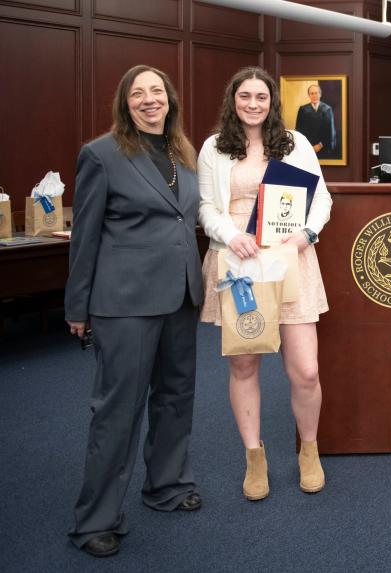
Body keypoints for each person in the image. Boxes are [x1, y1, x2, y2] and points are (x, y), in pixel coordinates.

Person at [64, 64, 204, 558]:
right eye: (139, 93)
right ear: (125, 102)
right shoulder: (101, 155)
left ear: (170, 99)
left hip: (181, 298)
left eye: (157, 91)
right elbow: (86, 235)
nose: (150, 100)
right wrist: (77, 305)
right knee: (117, 411)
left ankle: (166, 486)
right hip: (124, 304)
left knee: (175, 396)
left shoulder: (184, 153)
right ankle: (96, 520)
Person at [198, 66, 332, 501]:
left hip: (289, 256)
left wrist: (307, 234)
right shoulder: (214, 147)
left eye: (261, 96)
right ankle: (255, 458)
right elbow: (204, 206)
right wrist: (229, 236)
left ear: (272, 101)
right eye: (245, 96)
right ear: (232, 100)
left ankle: (308, 452)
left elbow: (322, 197)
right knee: (244, 364)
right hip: (238, 260)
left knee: (306, 371)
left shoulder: (293, 144)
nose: (253, 104)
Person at [295, 83, 337, 159]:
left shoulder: (327, 109)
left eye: (316, 93)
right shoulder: (303, 110)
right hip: (307, 148)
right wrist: (309, 146)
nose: (314, 95)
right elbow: (299, 130)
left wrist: (320, 145)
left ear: (320, 94)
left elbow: (331, 131)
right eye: (312, 93)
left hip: (323, 148)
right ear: (309, 95)